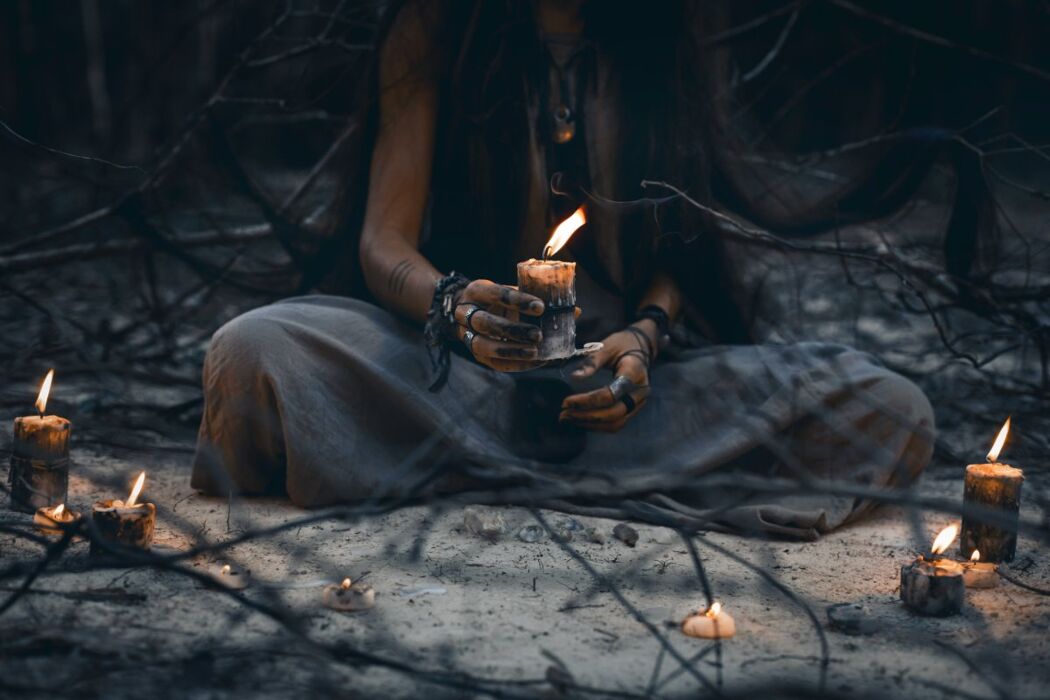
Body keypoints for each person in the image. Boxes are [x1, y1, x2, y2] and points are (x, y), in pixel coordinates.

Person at [190, 0, 935, 539]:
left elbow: (680, 253)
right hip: (453, 382)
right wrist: (453, 306)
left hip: (623, 402)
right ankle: (542, 471)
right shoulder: (435, 24)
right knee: (250, 350)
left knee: (892, 407)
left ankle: (456, 472)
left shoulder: (657, 36)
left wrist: (644, 338)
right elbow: (383, 243)